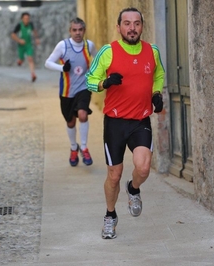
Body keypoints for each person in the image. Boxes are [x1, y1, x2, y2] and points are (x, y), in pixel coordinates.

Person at [86, 7, 165, 239]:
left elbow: (158, 74)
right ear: (119, 27)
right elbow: (89, 80)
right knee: (114, 174)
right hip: (115, 123)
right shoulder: (108, 51)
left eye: (137, 23)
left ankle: (133, 189)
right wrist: (105, 83)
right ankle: (110, 216)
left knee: (143, 167)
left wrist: (156, 93)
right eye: (127, 23)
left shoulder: (152, 51)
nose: (132, 28)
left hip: (141, 120)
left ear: (142, 26)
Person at [45, 18, 97, 167]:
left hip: (83, 88)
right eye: (74, 30)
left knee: (82, 114)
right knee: (70, 122)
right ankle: (74, 148)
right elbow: (48, 63)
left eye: (80, 30)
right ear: (70, 31)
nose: (77, 33)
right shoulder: (63, 46)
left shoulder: (89, 46)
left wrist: (96, 73)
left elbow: (99, 58)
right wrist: (62, 68)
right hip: (67, 91)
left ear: (84, 31)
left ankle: (85, 147)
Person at [11, 12, 40, 82]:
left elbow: (34, 31)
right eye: (25, 18)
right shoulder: (19, 25)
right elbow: (13, 35)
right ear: (22, 19)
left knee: (30, 58)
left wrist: (36, 39)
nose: (27, 20)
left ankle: (33, 74)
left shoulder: (31, 24)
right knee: (21, 59)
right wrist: (19, 40)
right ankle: (20, 61)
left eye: (28, 18)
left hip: (28, 44)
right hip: (21, 46)